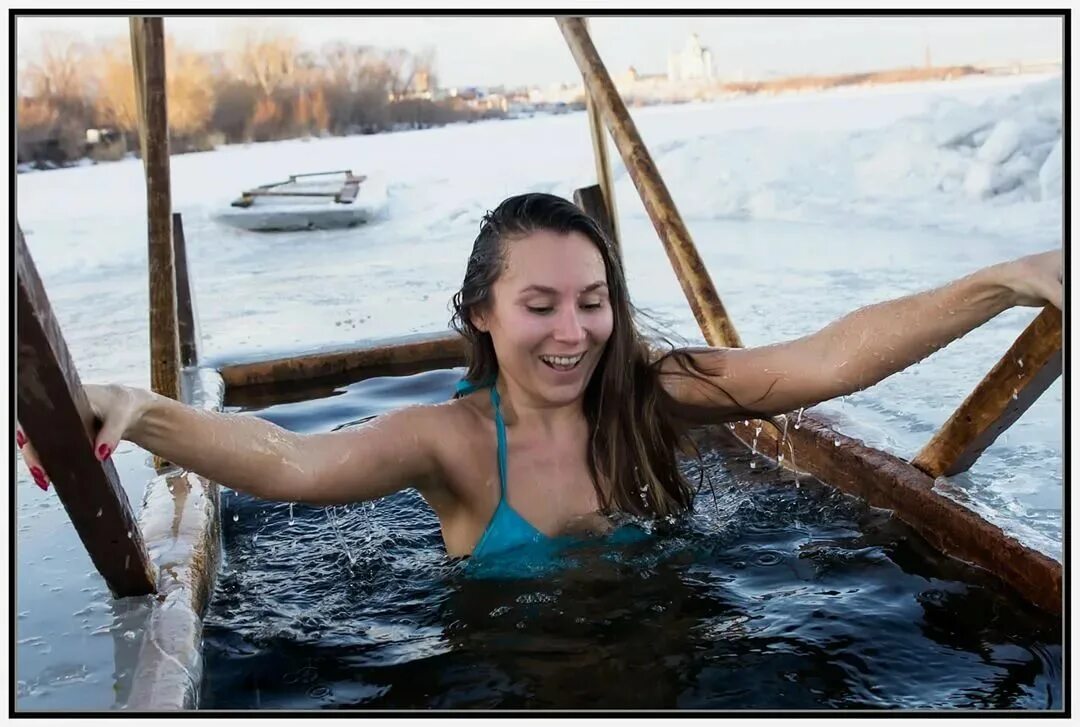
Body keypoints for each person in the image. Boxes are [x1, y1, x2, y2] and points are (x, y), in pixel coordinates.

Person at [16, 193, 1062, 561]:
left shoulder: (657, 394)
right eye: (542, 304)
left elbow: (821, 358)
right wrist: (146, 411)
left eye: (593, 300)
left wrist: (1006, 281)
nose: (576, 332)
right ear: (481, 313)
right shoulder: (450, 442)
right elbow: (289, 461)